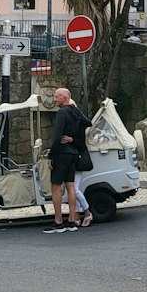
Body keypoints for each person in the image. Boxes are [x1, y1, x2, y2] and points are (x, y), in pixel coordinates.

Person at [43, 87, 90, 233]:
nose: (54, 99)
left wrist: (51, 155)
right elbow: (88, 122)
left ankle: (58, 222)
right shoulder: (75, 112)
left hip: (62, 154)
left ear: (64, 98)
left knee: (56, 187)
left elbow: (57, 136)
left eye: (57, 96)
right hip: (74, 153)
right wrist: (73, 139)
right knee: (70, 185)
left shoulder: (62, 113)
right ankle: (71, 219)